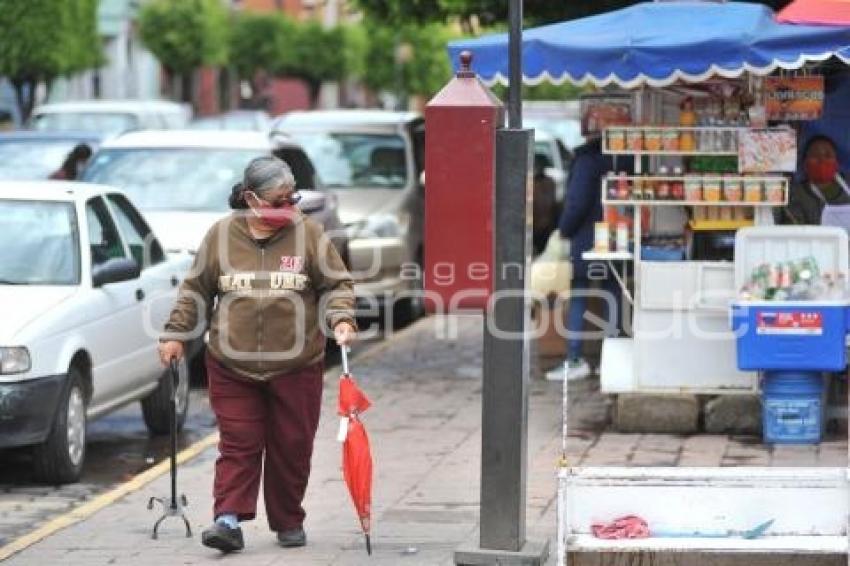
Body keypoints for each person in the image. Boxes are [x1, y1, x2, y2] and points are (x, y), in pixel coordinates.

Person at [158, 156, 357, 554]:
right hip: (232, 364)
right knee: (239, 442)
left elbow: (336, 285)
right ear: (250, 198)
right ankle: (227, 520)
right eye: (278, 200)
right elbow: (196, 289)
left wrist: (341, 318)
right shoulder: (221, 235)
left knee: (292, 444)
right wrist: (177, 333)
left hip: (297, 364)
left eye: (291, 198)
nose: (289, 207)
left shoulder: (309, 234)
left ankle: (288, 520)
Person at [545, 135, 624, 382]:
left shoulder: (586, 161)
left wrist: (564, 230)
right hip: (617, 235)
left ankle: (575, 358)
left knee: (579, 295)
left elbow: (576, 203)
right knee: (612, 294)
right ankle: (613, 358)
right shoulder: (624, 158)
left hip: (587, 238)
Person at [780, 135, 850, 228]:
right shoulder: (796, 194)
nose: (822, 160)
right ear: (805, 164)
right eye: (815, 156)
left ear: (836, 163)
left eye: (828, 155)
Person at [532, 152, 558, 256]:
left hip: (544, 225)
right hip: (537, 225)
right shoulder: (546, 182)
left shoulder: (548, 182)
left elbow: (550, 204)